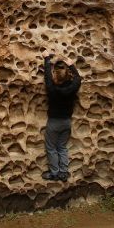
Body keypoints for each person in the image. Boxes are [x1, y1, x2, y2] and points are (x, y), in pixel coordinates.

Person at [42, 53, 81, 182]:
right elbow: (78, 80)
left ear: (55, 77)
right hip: (66, 122)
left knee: (51, 148)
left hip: (54, 122)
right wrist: (71, 65)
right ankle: (64, 173)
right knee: (62, 147)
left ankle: (54, 173)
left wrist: (47, 59)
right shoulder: (71, 88)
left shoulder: (52, 89)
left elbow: (47, 77)